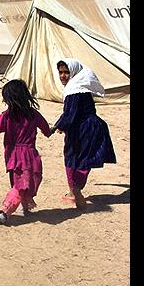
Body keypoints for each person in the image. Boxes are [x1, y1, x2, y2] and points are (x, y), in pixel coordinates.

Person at [0, 79, 52, 224]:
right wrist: (50, 131)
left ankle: (24, 208)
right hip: (29, 155)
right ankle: (6, 210)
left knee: (20, 183)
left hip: (14, 155)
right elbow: (46, 128)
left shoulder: (7, 116)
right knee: (25, 183)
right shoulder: (33, 114)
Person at [52, 58, 117, 209]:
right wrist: (61, 125)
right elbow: (70, 113)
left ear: (73, 72)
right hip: (83, 128)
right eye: (61, 72)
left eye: (66, 72)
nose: (63, 76)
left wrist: (57, 127)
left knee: (78, 158)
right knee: (78, 158)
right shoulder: (79, 87)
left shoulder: (74, 89)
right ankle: (75, 190)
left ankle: (75, 190)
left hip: (85, 129)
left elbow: (70, 114)